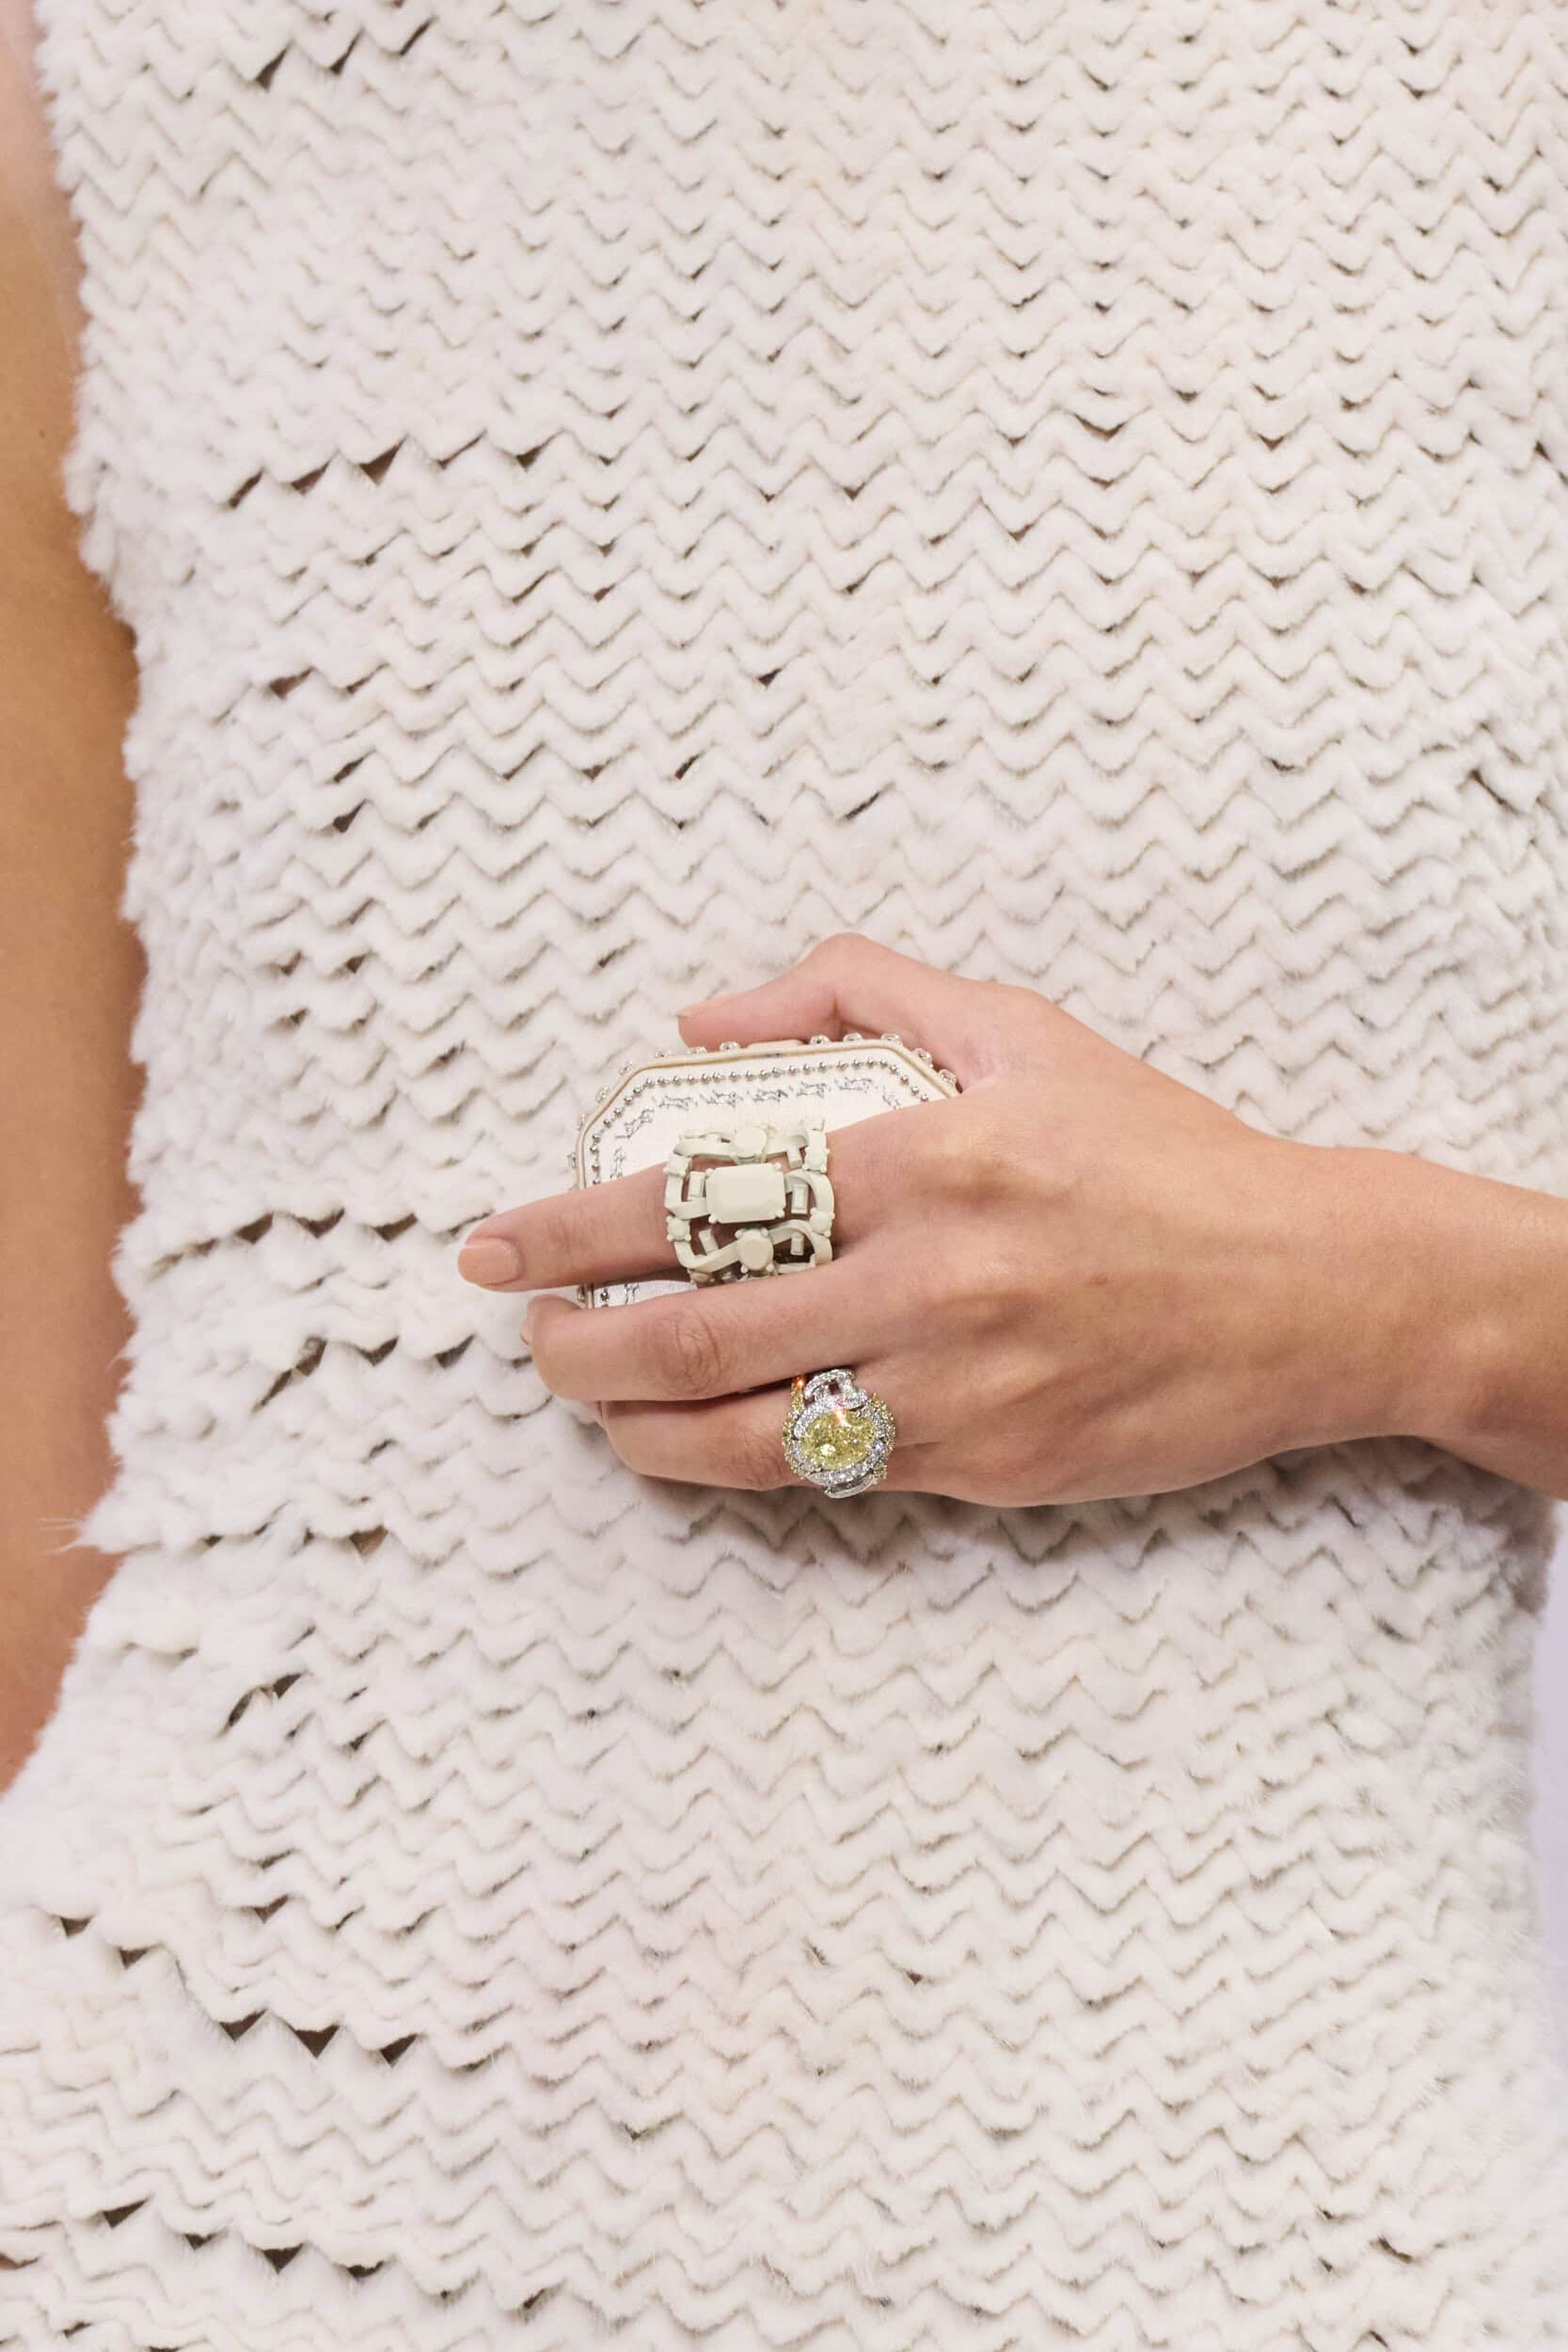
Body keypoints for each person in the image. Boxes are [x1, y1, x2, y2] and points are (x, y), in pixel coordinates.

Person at [3, 1, 1567, 2344]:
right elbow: (53, 1459)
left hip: (1259, 2219)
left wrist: (1390, 1302)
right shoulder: (119, 79)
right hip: (182, 2196)